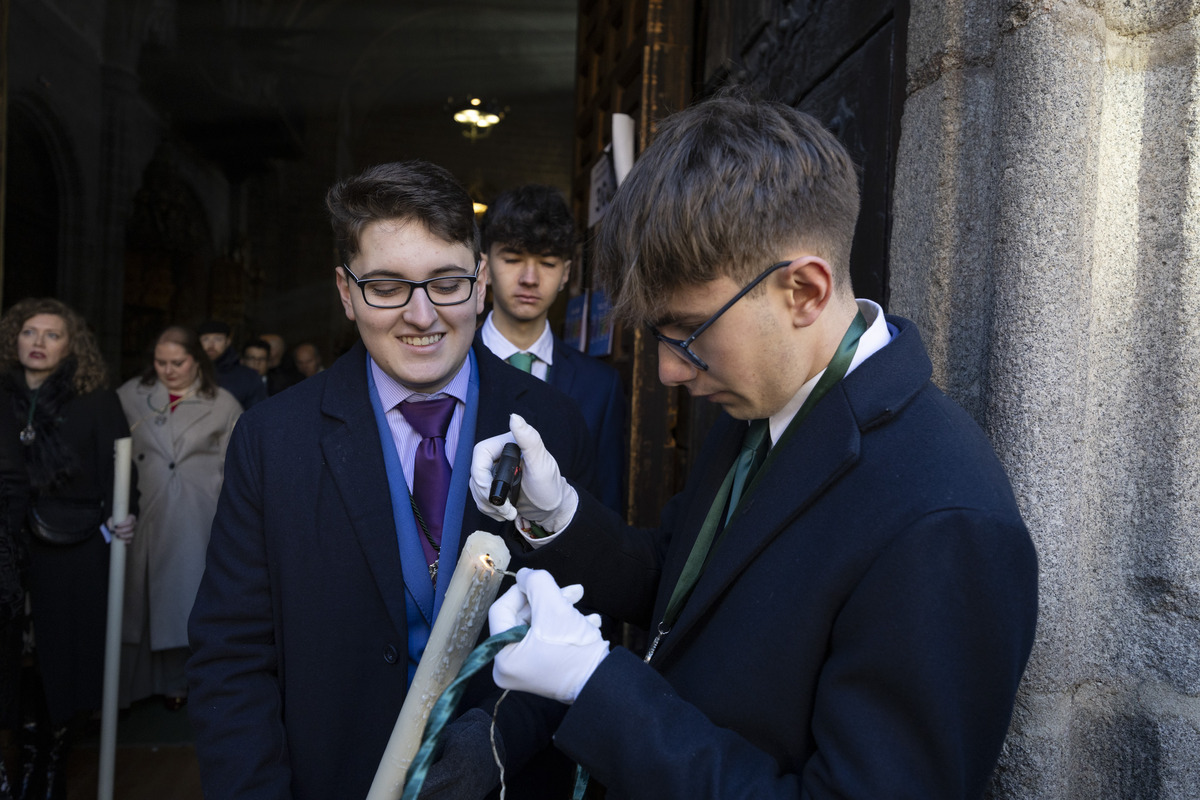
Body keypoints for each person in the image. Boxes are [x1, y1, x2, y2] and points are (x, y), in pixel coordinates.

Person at [472, 93, 1040, 799]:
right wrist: (555, 512)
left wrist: (596, 687)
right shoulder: (767, 401)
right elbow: (676, 582)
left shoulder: (945, 520)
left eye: (686, 330)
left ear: (803, 290)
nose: (669, 371)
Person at [187, 159, 598, 800]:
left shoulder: (553, 424)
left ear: (482, 282)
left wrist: (495, 745)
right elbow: (232, 655)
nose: (422, 315)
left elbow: (579, 624)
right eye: (386, 286)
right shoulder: (273, 440)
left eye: (447, 282)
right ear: (346, 292)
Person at [0, 298, 136, 799]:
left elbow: (120, 473)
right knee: (15, 656)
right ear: (14, 337)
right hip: (8, 546)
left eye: (52, 334)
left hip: (71, 546)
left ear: (71, 344)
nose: (38, 342)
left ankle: (51, 761)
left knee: (62, 658)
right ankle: (22, 753)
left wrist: (125, 513)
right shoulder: (1, 394)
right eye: (29, 331)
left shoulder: (95, 400)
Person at [479, 185, 626, 512]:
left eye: (547, 262)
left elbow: (606, 512)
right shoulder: (448, 365)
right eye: (513, 259)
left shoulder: (600, 386)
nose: (530, 278)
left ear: (566, 274)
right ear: (484, 268)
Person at [117, 325, 240, 711]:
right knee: (137, 596)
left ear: (196, 361)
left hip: (195, 511)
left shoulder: (222, 402)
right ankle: (130, 688)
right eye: (160, 362)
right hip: (143, 505)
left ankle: (179, 684)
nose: (168, 370)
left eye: (177, 362)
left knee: (183, 597)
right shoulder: (130, 395)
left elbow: (234, 465)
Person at [197, 319, 267, 410]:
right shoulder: (188, 372)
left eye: (218, 339)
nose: (211, 345)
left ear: (228, 342)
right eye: (205, 339)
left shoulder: (248, 377)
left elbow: (257, 413)